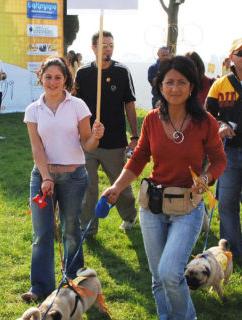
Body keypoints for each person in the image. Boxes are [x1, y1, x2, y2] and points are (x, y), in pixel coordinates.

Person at [103, 56, 226, 319]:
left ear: (192, 86)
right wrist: (116, 186)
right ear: (160, 86)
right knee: (158, 278)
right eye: (169, 82)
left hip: (188, 207)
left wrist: (206, 178)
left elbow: (219, 160)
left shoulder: (205, 121)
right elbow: (139, 158)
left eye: (182, 82)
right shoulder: (151, 119)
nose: (175, 88)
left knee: (170, 272)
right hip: (152, 205)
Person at [22, 56, 104, 301]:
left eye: (58, 77)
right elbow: (37, 148)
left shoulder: (78, 105)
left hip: (74, 177)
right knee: (42, 233)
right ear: (41, 78)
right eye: (48, 77)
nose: (53, 82)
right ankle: (40, 287)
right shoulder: (33, 110)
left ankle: (74, 282)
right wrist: (46, 177)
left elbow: (88, 144)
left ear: (66, 80)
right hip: (42, 176)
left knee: (70, 231)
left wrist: (97, 136)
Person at [73, 30, 138, 235]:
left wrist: (134, 136)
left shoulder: (121, 71)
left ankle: (129, 216)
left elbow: (130, 105)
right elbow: (74, 105)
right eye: (103, 45)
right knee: (88, 187)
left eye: (111, 45)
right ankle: (88, 227)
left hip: (115, 142)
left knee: (120, 186)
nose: (108, 49)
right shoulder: (83, 73)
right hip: (88, 142)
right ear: (93, 48)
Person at [206, 38, 242, 257]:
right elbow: (208, 116)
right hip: (226, 153)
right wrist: (220, 124)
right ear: (232, 58)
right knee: (226, 203)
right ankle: (233, 254)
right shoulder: (219, 84)